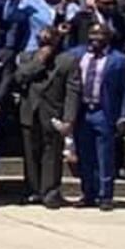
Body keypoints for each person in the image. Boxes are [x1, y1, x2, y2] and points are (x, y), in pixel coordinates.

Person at [13, 27, 79, 208]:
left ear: (58, 40)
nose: (46, 44)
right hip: (29, 111)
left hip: (53, 113)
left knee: (51, 154)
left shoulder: (67, 60)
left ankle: (50, 192)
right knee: (31, 154)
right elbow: (19, 78)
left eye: (50, 41)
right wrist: (40, 61)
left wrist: (69, 118)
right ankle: (33, 191)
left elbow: (72, 91)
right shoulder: (27, 57)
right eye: (42, 40)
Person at [71, 24, 125, 210]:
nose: (95, 37)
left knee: (105, 156)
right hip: (82, 111)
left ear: (109, 36)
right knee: (85, 155)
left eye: (100, 33)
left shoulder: (119, 60)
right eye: (92, 33)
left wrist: (124, 115)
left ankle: (105, 195)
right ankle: (88, 194)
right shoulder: (78, 54)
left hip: (103, 112)